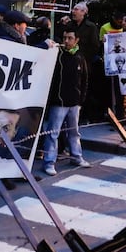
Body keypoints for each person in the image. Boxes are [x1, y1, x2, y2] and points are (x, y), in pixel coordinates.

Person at [42, 26, 91, 176]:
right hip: (59, 102)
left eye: (70, 38)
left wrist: (81, 100)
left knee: (74, 132)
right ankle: (49, 161)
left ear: (76, 40)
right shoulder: (57, 55)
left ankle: (76, 156)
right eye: (64, 38)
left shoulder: (80, 57)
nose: (66, 41)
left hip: (74, 103)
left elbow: (85, 80)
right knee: (53, 133)